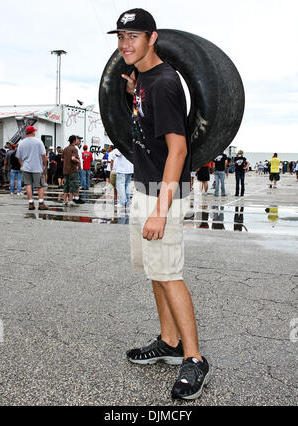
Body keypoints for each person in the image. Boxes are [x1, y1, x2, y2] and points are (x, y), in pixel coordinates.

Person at [107, 8, 209, 401]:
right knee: (155, 269)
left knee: (169, 273)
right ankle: (168, 341)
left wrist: (160, 210)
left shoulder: (165, 81)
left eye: (133, 36)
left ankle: (194, 358)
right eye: (120, 36)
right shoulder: (144, 80)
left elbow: (179, 148)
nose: (125, 44)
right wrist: (134, 93)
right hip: (144, 185)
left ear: (153, 38)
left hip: (160, 193)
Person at [16, 126, 48, 210]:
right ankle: (41, 203)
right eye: (34, 131)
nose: (35, 132)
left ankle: (31, 203)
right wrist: (45, 164)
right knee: (40, 186)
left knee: (28, 185)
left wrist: (22, 165)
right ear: (33, 132)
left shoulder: (21, 143)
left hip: (26, 167)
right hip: (37, 167)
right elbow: (43, 155)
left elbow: (19, 157)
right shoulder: (38, 142)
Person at [62, 135, 81, 206]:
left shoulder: (65, 148)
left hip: (65, 170)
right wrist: (78, 161)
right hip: (72, 170)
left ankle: (64, 201)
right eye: (76, 139)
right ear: (74, 140)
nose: (77, 141)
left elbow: (62, 159)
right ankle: (70, 201)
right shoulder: (74, 149)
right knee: (72, 185)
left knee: (66, 186)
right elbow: (73, 158)